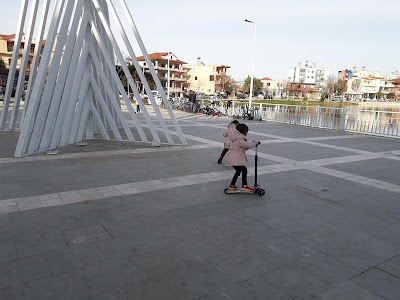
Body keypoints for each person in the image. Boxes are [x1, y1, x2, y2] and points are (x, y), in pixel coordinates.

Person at [225, 123, 260, 191]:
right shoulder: (239, 140)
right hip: (236, 160)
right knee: (244, 170)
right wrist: (255, 143)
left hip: (233, 159)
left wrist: (251, 145)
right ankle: (244, 185)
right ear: (243, 132)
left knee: (238, 172)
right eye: (246, 132)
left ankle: (232, 185)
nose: (247, 133)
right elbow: (246, 145)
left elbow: (243, 147)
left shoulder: (237, 139)